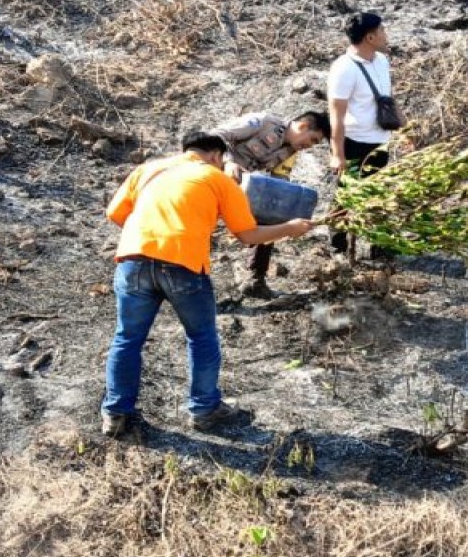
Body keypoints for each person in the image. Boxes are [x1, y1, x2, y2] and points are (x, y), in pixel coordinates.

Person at [100, 132, 315, 437]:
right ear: (216, 155)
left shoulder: (147, 170)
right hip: (183, 265)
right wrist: (289, 229)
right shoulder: (217, 178)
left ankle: (116, 414)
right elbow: (248, 235)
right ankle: (203, 409)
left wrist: (152, 234)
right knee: (201, 338)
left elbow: (115, 213)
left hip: (133, 261)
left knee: (127, 339)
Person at [211, 110, 331, 298]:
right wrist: (228, 162)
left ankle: (255, 279)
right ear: (303, 126)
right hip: (212, 178)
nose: (310, 146)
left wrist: (288, 217)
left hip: (240, 188)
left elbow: (278, 182)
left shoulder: (291, 152)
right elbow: (216, 135)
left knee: (274, 214)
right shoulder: (263, 122)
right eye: (313, 140)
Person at [326, 12, 397, 255]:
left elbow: (387, 99)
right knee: (346, 195)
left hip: (380, 140)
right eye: (382, 31)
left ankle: (379, 246)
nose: (385, 35)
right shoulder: (344, 69)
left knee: (378, 193)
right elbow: (336, 114)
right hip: (355, 142)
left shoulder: (381, 61)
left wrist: (405, 129)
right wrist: (337, 154)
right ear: (370, 37)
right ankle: (337, 244)